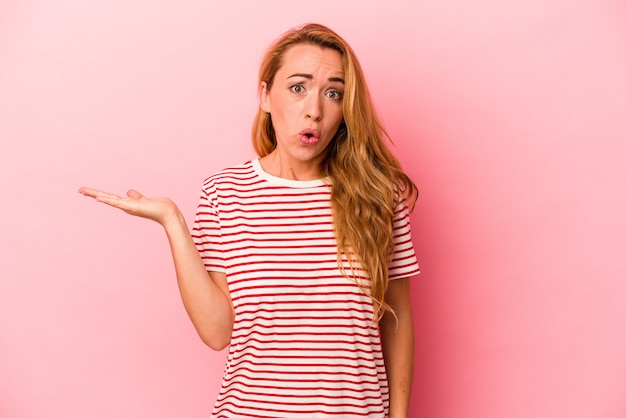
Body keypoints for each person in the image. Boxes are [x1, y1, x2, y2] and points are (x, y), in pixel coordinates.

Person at [80, 23, 419, 418]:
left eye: (333, 93)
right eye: (298, 87)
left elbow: (398, 320)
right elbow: (217, 331)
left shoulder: (378, 195)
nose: (314, 109)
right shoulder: (226, 194)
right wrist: (173, 222)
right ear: (265, 96)